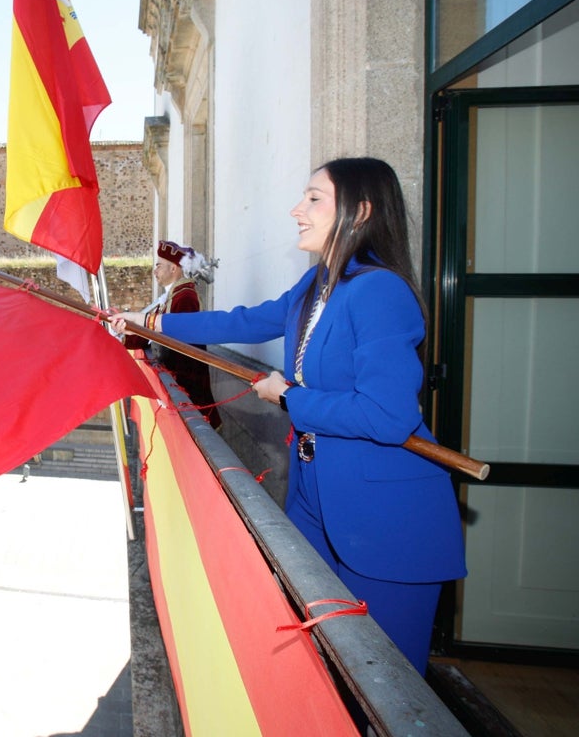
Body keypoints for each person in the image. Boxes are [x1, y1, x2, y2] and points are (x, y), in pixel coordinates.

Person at [112, 157, 466, 675]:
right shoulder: (317, 284)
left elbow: (388, 416)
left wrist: (288, 397)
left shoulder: (380, 291)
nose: (296, 210)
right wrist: (150, 321)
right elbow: (249, 321)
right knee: (323, 670)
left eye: (314, 198)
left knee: (387, 684)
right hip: (314, 498)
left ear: (361, 210)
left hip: (386, 522)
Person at [123, 241, 221, 428]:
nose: (155, 271)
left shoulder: (185, 297)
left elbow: (166, 333)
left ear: (174, 268)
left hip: (186, 378)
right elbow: (152, 329)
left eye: (159, 265)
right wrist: (126, 333)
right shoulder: (174, 295)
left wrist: (126, 336)